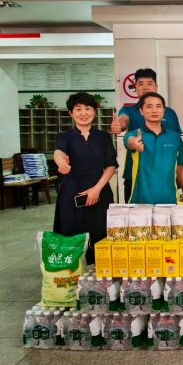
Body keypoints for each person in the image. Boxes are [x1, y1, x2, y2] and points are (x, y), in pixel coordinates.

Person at [53, 92, 118, 265]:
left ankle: (100, 272)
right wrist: (61, 163)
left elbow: (111, 165)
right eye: (78, 109)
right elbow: (59, 152)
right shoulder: (64, 136)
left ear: (94, 112)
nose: (84, 113)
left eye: (88, 108)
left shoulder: (103, 137)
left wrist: (96, 189)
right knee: (71, 232)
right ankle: (72, 272)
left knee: (100, 231)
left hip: (100, 189)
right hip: (72, 192)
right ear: (71, 113)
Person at [110, 68, 183, 203]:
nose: (145, 87)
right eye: (140, 84)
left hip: (165, 177)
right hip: (136, 174)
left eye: (149, 83)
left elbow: (176, 144)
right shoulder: (129, 110)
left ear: (156, 86)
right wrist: (119, 125)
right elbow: (123, 121)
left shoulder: (169, 113)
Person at [124, 92, 183, 204]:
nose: (154, 110)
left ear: (164, 110)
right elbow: (129, 141)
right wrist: (134, 143)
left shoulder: (175, 137)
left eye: (158, 106)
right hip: (140, 202)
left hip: (170, 201)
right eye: (149, 106)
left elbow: (181, 168)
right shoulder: (134, 134)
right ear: (141, 111)